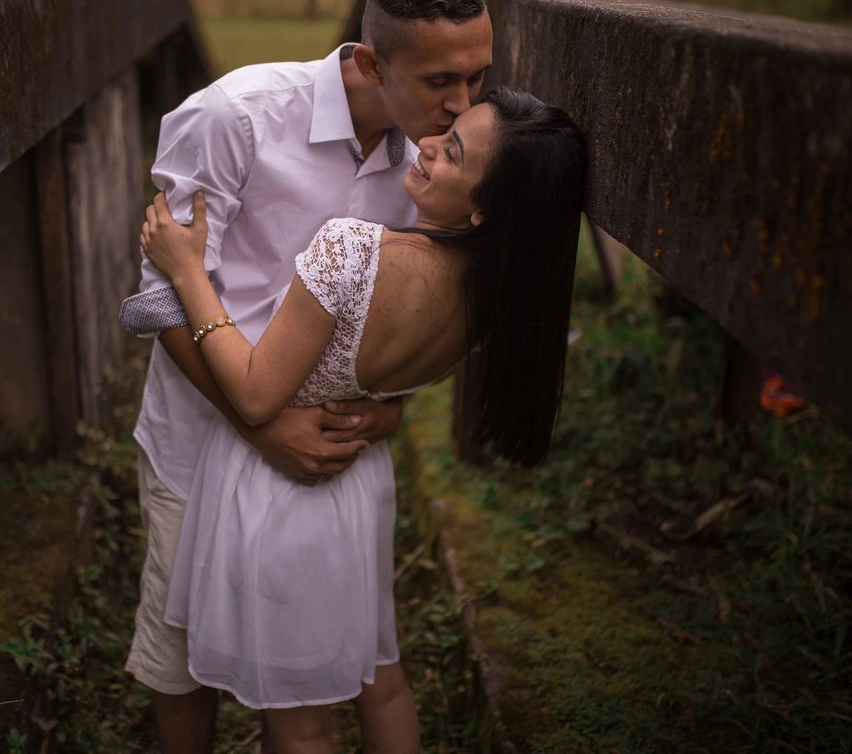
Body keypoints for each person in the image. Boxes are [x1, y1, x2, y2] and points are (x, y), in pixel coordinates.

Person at [140, 87, 588, 753]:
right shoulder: (498, 293)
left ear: (482, 208)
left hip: (285, 499)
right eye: (447, 129)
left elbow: (259, 396)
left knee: (300, 724)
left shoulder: (350, 252)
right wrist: (389, 414)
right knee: (383, 679)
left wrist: (187, 273)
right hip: (360, 487)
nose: (426, 144)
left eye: (452, 151)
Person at [120, 0, 491, 750]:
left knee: (319, 669)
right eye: (438, 82)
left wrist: (387, 411)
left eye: (477, 77)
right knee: (183, 661)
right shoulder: (235, 118)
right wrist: (259, 423)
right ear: (368, 61)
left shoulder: (435, 168)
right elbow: (158, 298)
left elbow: (415, 307)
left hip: (329, 471)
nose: (462, 106)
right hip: (200, 443)